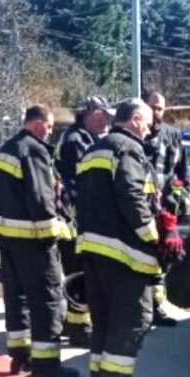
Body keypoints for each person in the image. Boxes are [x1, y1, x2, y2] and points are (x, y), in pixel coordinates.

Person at [75, 98, 183, 377]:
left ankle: (101, 374)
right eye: (147, 123)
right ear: (135, 120)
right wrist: (154, 239)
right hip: (124, 251)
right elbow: (133, 197)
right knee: (134, 316)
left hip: (94, 248)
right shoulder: (129, 149)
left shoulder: (93, 149)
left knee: (105, 316)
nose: (150, 130)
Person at [0, 105, 79, 377]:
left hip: (9, 241)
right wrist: (54, 232)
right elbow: (41, 197)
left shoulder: (8, 149)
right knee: (47, 299)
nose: (51, 131)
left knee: (16, 297)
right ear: (35, 123)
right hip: (34, 241)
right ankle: (46, 365)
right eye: (49, 125)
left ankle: (20, 356)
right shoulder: (34, 150)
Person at [55, 96, 114, 348]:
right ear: (90, 113)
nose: (108, 120)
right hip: (74, 218)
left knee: (79, 270)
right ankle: (79, 328)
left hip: (78, 217)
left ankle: (73, 323)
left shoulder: (83, 138)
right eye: (105, 114)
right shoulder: (76, 141)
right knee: (79, 272)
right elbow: (84, 182)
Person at [144, 91, 190, 327]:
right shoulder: (136, 136)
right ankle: (141, 307)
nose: (156, 112)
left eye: (160, 108)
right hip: (140, 209)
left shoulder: (173, 136)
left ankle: (156, 308)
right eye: (152, 107)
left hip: (165, 211)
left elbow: (183, 172)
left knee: (163, 259)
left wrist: (185, 199)